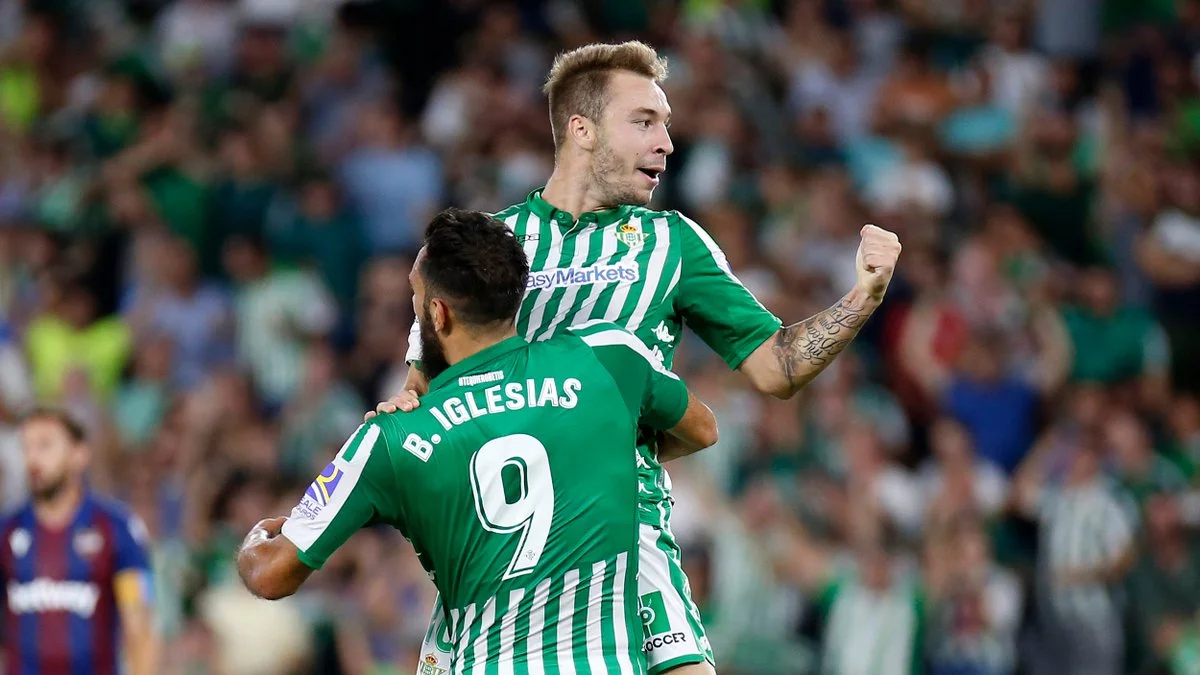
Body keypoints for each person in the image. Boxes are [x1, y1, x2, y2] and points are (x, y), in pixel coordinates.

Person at [375, 41, 902, 675]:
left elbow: (777, 367)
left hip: (627, 542)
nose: (666, 143)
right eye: (644, 122)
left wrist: (864, 297)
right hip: (503, 557)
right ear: (583, 130)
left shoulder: (672, 243)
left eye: (666, 125)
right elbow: (422, 395)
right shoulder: (490, 246)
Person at [237, 208, 719, 674]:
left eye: (415, 296)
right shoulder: (610, 357)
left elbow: (270, 574)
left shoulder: (395, 436)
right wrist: (595, 458)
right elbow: (702, 429)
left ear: (438, 313)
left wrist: (258, 537)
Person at [0, 407, 159, 675]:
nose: (33, 458)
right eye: (26, 447)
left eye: (45, 445)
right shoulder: (6, 531)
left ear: (79, 454)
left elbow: (140, 627)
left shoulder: (118, 529)